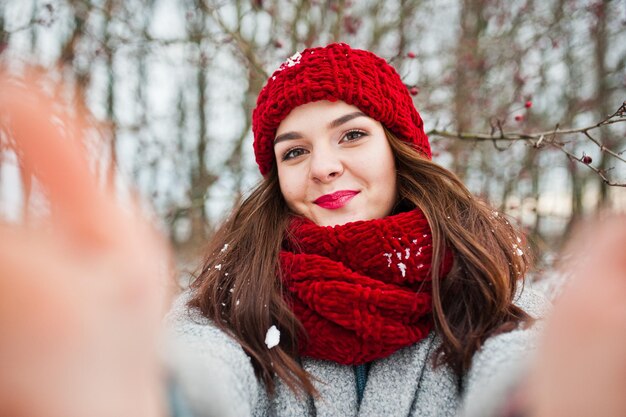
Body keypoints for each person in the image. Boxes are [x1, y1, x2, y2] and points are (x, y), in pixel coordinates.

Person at [166, 42, 549, 417]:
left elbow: (525, 365)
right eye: (295, 152)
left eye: (352, 135)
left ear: (397, 149)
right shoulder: (230, 298)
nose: (322, 167)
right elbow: (199, 369)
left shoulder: (487, 284)